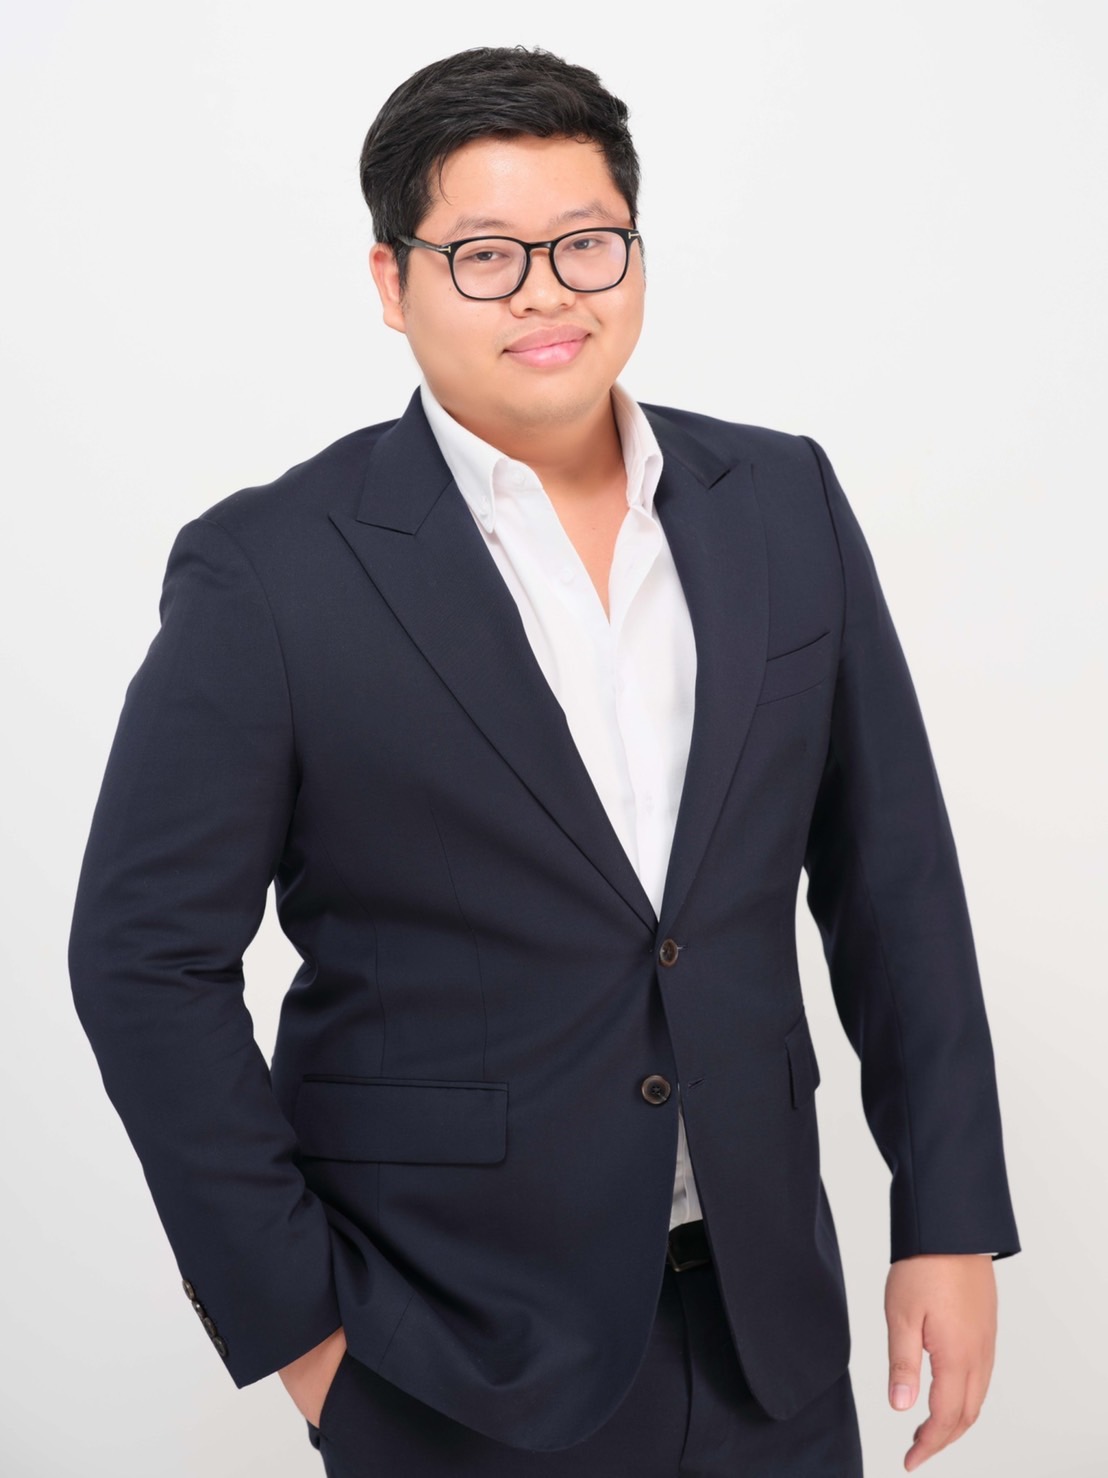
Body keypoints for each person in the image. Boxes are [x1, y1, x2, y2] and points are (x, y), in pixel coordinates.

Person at [69, 44, 1020, 1478]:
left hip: (767, 1325)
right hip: (448, 1349)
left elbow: (894, 880)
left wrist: (947, 1217)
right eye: (485, 254)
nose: (546, 290)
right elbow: (142, 956)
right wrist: (303, 1331)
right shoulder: (271, 570)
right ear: (391, 282)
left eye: (585, 241)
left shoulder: (782, 500)